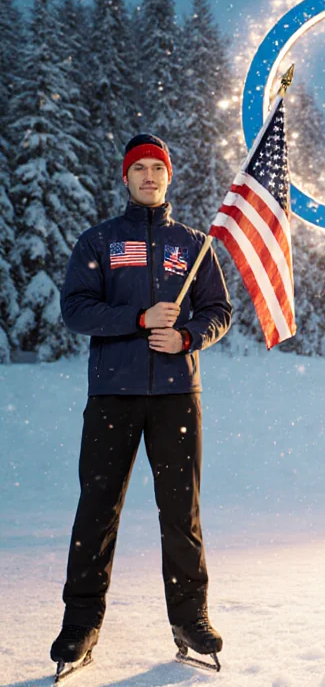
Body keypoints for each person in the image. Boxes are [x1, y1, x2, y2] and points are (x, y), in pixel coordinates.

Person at [52, 133, 233, 675]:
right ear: (125, 177)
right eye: (140, 169)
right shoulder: (99, 241)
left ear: (168, 177)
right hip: (113, 394)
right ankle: (80, 624)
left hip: (177, 396)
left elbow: (218, 311)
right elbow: (75, 309)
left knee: (181, 513)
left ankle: (191, 619)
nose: (149, 176)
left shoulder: (193, 244)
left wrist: (187, 337)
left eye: (158, 168)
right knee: (97, 510)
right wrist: (137, 319)